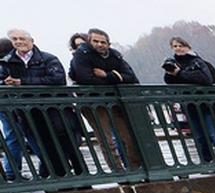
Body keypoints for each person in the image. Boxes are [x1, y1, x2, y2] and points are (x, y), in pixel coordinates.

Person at [3, 29, 86, 178]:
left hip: (55, 110)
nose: (18, 42)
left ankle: (82, 175)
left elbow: (57, 79)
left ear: (31, 41)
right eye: (15, 39)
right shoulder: (7, 63)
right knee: (46, 146)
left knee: (68, 144)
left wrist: (22, 83)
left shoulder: (48, 58)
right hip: (28, 111)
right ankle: (60, 177)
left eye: (22, 38)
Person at [69, 28, 141, 170]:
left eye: (103, 42)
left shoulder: (115, 55)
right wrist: (116, 79)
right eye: (95, 41)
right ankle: (118, 171)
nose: (100, 44)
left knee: (130, 137)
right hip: (93, 102)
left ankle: (135, 169)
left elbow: (130, 77)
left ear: (108, 43)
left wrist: (107, 76)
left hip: (115, 101)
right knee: (107, 141)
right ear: (89, 41)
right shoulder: (81, 55)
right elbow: (85, 78)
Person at [162, 37, 215, 164]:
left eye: (181, 45)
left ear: (188, 47)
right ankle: (207, 163)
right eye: (175, 46)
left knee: (214, 136)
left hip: (206, 105)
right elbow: (169, 82)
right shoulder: (173, 63)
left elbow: (205, 79)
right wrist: (169, 71)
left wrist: (180, 73)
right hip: (189, 106)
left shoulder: (197, 61)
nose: (178, 48)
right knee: (200, 137)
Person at [0, 37, 29, 182]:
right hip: (12, 104)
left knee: (13, 137)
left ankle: (11, 172)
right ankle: (12, 171)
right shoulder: (9, 62)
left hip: (6, 104)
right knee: (18, 136)